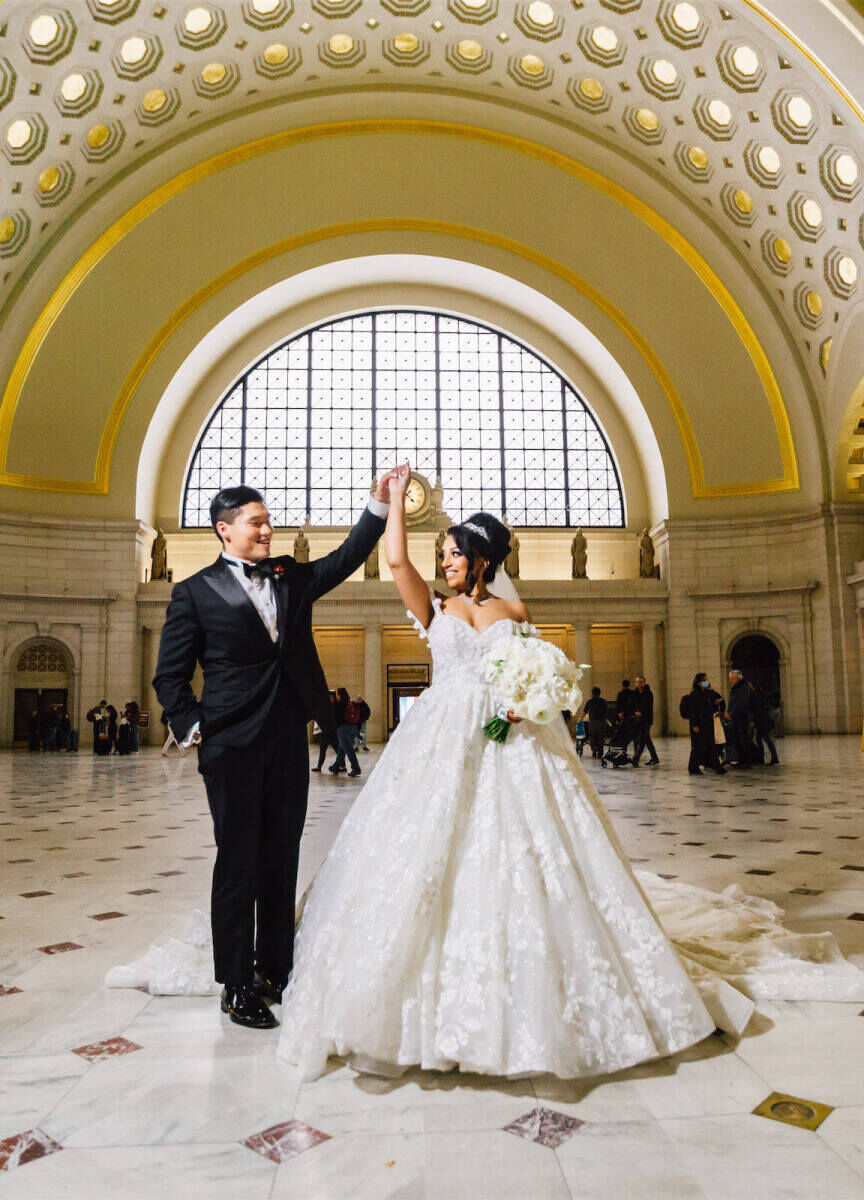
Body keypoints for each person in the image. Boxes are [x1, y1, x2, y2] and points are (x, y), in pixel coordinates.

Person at [273, 465, 746, 1079]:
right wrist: (391, 500)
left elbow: (534, 670)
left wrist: (526, 701)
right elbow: (395, 561)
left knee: (520, 852)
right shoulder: (434, 606)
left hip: (509, 741)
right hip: (438, 739)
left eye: (452, 554)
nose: (444, 563)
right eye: (440, 555)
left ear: (481, 559)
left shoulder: (514, 608)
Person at [153, 476, 395, 1030]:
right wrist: (194, 728)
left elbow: (347, 556)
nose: (268, 529)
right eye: (256, 522)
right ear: (224, 529)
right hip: (231, 744)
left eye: (268, 520)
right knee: (238, 862)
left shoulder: (289, 574)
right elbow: (169, 677)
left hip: (287, 737)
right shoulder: (193, 592)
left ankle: (276, 971)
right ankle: (235, 983)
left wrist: (378, 504)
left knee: (281, 856)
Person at [685, 673, 726, 776]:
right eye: (703, 680)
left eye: (706, 680)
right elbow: (693, 711)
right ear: (698, 683)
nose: (706, 682)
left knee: (711, 746)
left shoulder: (707, 693)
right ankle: (693, 768)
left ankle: (717, 767)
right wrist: (694, 725)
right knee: (697, 747)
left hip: (708, 724)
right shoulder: (694, 695)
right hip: (698, 725)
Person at [329, 687, 362, 777]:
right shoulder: (350, 702)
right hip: (353, 729)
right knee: (342, 749)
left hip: (343, 729)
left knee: (348, 750)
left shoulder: (338, 704)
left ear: (338, 694)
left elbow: (334, 718)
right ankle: (335, 766)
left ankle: (356, 768)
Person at [728, 669, 754, 768]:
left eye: (731, 678)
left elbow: (741, 704)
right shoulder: (737, 687)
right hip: (737, 718)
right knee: (738, 740)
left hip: (741, 718)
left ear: (737, 678)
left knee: (743, 740)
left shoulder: (742, 688)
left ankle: (745, 762)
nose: (730, 681)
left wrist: (732, 713)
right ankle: (741, 760)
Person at [631, 674, 659, 766]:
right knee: (647, 739)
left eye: (641, 682)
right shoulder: (634, 693)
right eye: (638, 682)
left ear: (644, 683)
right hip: (637, 719)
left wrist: (641, 712)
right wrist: (635, 711)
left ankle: (636, 759)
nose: (639, 683)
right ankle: (654, 758)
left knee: (643, 739)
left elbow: (648, 705)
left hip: (646, 719)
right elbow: (632, 704)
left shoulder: (648, 693)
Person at [311, 691, 340, 773]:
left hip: (332, 732)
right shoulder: (327, 706)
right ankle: (319, 766)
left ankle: (342, 765)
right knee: (322, 750)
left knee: (337, 749)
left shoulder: (335, 706)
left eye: (330, 696)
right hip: (325, 732)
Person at [582, 686, 608, 758]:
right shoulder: (603, 701)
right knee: (601, 737)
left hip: (593, 721)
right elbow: (606, 711)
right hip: (601, 721)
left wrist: (581, 718)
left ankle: (594, 749)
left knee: (592, 736)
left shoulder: (590, 701)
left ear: (592, 693)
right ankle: (600, 752)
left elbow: (585, 711)